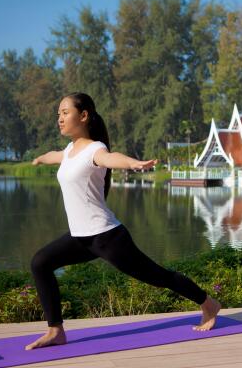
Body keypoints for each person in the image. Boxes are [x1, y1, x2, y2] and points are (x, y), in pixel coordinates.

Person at [25, 92, 221, 350]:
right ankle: (56, 331)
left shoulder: (96, 149)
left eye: (64, 113)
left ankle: (208, 303)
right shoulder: (71, 149)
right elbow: (57, 155)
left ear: (83, 116)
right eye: (58, 114)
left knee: (157, 276)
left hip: (106, 237)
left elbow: (111, 159)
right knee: (40, 262)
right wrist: (40, 158)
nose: (59, 119)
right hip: (80, 237)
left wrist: (134, 164)